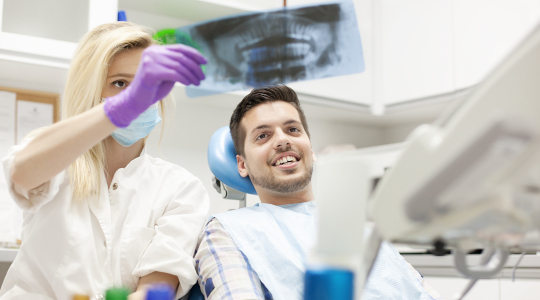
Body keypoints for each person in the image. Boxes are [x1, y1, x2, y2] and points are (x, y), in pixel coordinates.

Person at [0, 22, 209, 300]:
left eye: (146, 86)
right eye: (120, 83)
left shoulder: (180, 188)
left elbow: (153, 292)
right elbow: (22, 174)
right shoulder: (56, 155)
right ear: (91, 90)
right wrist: (118, 110)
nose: (139, 98)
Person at [194, 85, 442, 300]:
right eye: (263, 135)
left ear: (311, 150)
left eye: (292, 130)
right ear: (242, 165)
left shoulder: (365, 233)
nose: (282, 141)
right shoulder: (226, 232)